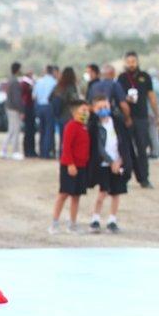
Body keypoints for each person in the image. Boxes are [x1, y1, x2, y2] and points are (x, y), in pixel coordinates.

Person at [86, 94, 131, 234]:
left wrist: (120, 161)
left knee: (116, 193)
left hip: (119, 162)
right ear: (94, 109)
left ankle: (112, 219)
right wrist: (111, 162)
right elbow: (98, 148)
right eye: (100, 107)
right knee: (102, 192)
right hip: (104, 164)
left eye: (105, 106)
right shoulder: (95, 126)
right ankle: (95, 218)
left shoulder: (117, 122)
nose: (103, 109)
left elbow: (124, 143)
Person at [51, 99, 90, 234]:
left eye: (87, 110)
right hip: (70, 165)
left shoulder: (84, 127)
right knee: (63, 194)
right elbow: (66, 147)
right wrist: (70, 164)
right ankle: (54, 222)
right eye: (83, 110)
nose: (86, 113)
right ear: (74, 112)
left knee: (76, 196)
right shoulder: (71, 126)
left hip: (81, 166)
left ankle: (72, 223)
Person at [116, 52, 156, 188]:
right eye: (129, 61)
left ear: (137, 62)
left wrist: (157, 114)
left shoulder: (145, 77)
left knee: (141, 149)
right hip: (126, 118)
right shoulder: (121, 78)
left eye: (133, 61)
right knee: (125, 149)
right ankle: (123, 178)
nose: (131, 64)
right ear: (125, 62)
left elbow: (151, 96)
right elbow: (118, 97)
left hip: (141, 117)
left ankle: (144, 178)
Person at [51, 66, 80, 153]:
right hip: (69, 116)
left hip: (59, 115)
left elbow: (50, 98)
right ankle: (67, 155)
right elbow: (74, 101)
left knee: (62, 137)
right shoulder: (71, 87)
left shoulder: (58, 86)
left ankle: (62, 154)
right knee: (69, 138)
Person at [33, 65, 58, 158]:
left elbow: (34, 96)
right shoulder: (54, 82)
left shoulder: (39, 81)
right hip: (49, 107)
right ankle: (47, 152)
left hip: (40, 106)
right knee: (49, 130)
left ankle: (42, 151)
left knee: (41, 129)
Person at [1, 61, 24, 160]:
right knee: (15, 130)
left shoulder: (10, 80)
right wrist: (21, 110)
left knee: (11, 130)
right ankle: (15, 151)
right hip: (14, 109)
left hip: (9, 107)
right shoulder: (15, 82)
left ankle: (4, 150)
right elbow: (17, 98)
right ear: (18, 70)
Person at [148, 67, 159, 158]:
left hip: (151, 111)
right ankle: (156, 151)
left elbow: (152, 100)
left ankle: (155, 153)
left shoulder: (151, 84)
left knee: (153, 133)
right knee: (155, 133)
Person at [22, 70, 37, 158]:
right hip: (28, 109)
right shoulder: (26, 84)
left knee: (30, 131)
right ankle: (29, 150)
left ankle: (30, 150)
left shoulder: (26, 83)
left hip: (29, 109)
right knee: (29, 131)